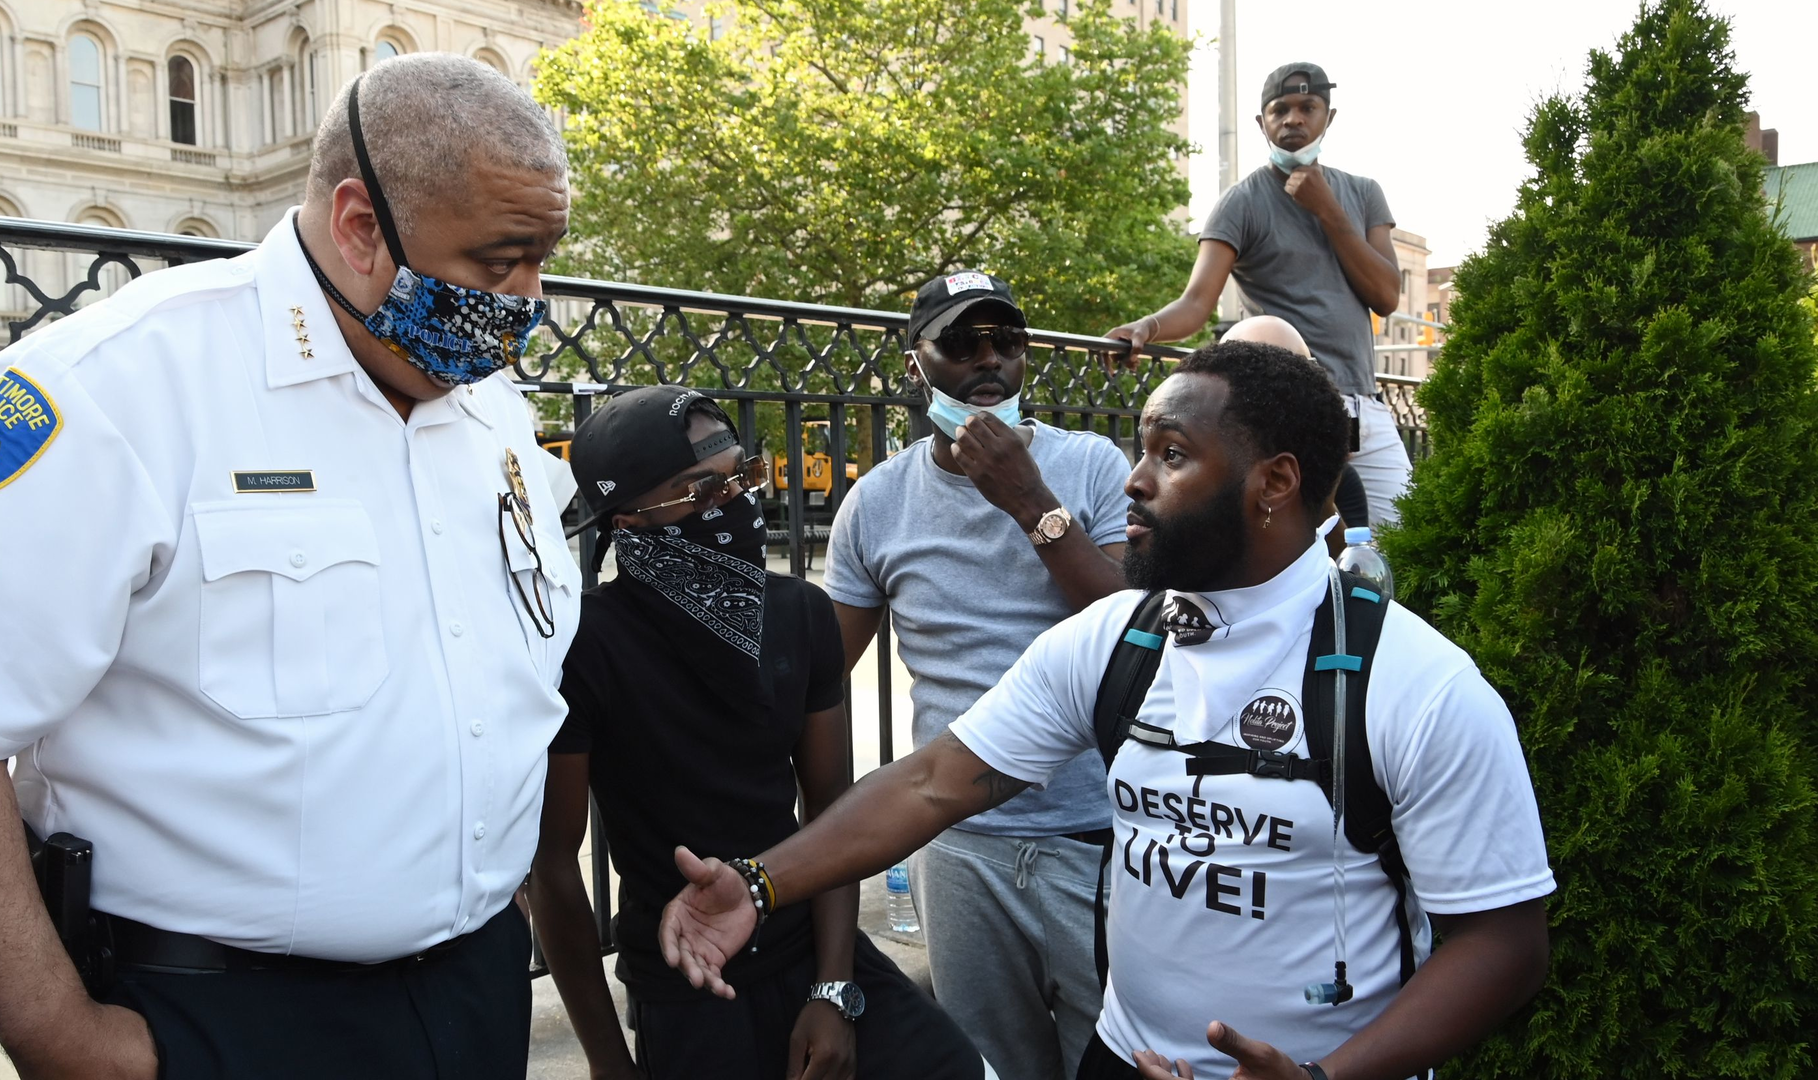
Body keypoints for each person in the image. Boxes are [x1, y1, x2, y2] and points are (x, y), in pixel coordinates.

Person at [0, 54, 578, 1080]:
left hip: (475, 992)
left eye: (543, 260)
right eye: (498, 262)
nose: (527, 302)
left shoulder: (492, 414)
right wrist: (58, 1039)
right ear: (359, 227)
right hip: (218, 1021)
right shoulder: (108, 388)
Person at [662, 339, 1555, 1080]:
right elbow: (937, 780)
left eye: (1170, 454)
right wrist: (759, 880)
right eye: (1139, 449)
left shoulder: (1415, 684)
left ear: (1274, 483)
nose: (1132, 481)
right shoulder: (1116, 640)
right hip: (1121, 1061)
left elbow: (1506, 943)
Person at [532, 385, 982, 1080]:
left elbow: (832, 805)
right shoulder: (587, 643)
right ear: (626, 519)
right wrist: (607, 1060)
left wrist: (834, 990)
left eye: (743, 477)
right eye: (699, 491)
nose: (734, 504)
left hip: (811, 945)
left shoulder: (800, 613)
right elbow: (555, 865)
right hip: (688, 974)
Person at [824, 270, 1132, 1080]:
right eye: (962, 344)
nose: (989, 362)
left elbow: (1131, 632)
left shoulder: (1095, 464)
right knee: (988, 1065)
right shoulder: (879, 502)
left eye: (1007, 343)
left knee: (1116, 1060)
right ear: (915, 364)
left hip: (1094, 835)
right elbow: (823, 674)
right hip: (958, 846)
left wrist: (1027, 499)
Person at [1105, 63, 1411, 527]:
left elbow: (1386, 295)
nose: (1293, 120)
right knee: (1308, 544)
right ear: (1261, 122)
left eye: (1307, 108)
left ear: (1329, 117)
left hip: (1364, 406)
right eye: (1279, 109)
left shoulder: (1364, 193)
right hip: (1290, 408)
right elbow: (1196, 303)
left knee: (1406, 538)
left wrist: (1326, 208)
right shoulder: (1241, 201)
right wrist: (1146, 327)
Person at [1218, 315, 1369, 539]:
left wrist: (1321, 499)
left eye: (1289, 378)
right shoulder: (1204, 467)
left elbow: (1348, 564)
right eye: (1250, 376)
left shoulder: (1337, 476)